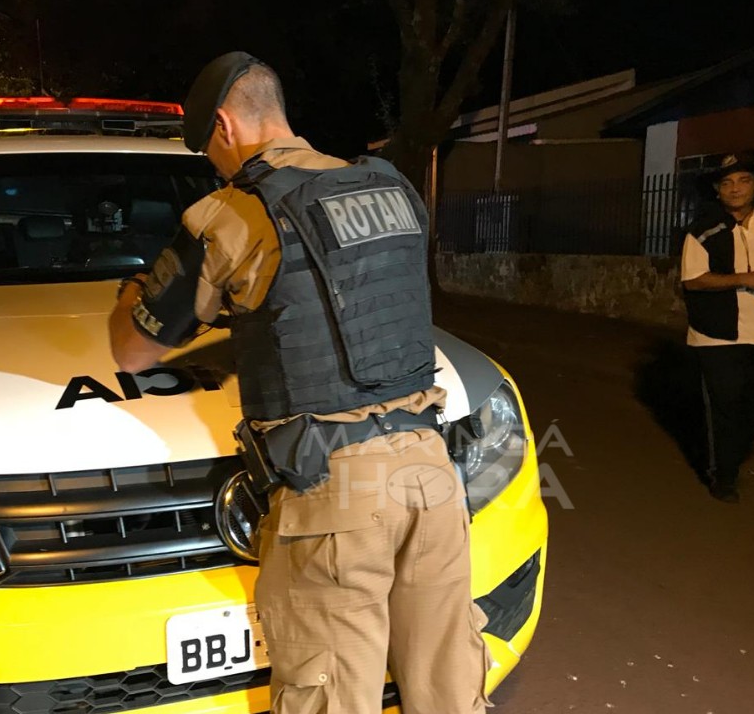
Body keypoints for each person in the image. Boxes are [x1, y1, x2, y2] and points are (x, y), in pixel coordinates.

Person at [108, 52, 490, 713]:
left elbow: (133, 349)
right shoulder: (394, 188)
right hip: (432, 475)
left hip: (335, 494)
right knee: (451, 691)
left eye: (209, 151)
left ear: (223, 126)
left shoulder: (232, 215)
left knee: (332, 695)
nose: (215, 167)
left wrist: (133, 290)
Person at [680, 153, 754, 503]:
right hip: (718, 335)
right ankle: (724, 476)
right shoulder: (702, 231)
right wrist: (745, 279)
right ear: (717, 191)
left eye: (742, 180)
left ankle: (733, 446)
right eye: (726, 183)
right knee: (724, 407)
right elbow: (693, 281)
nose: (735, 189)